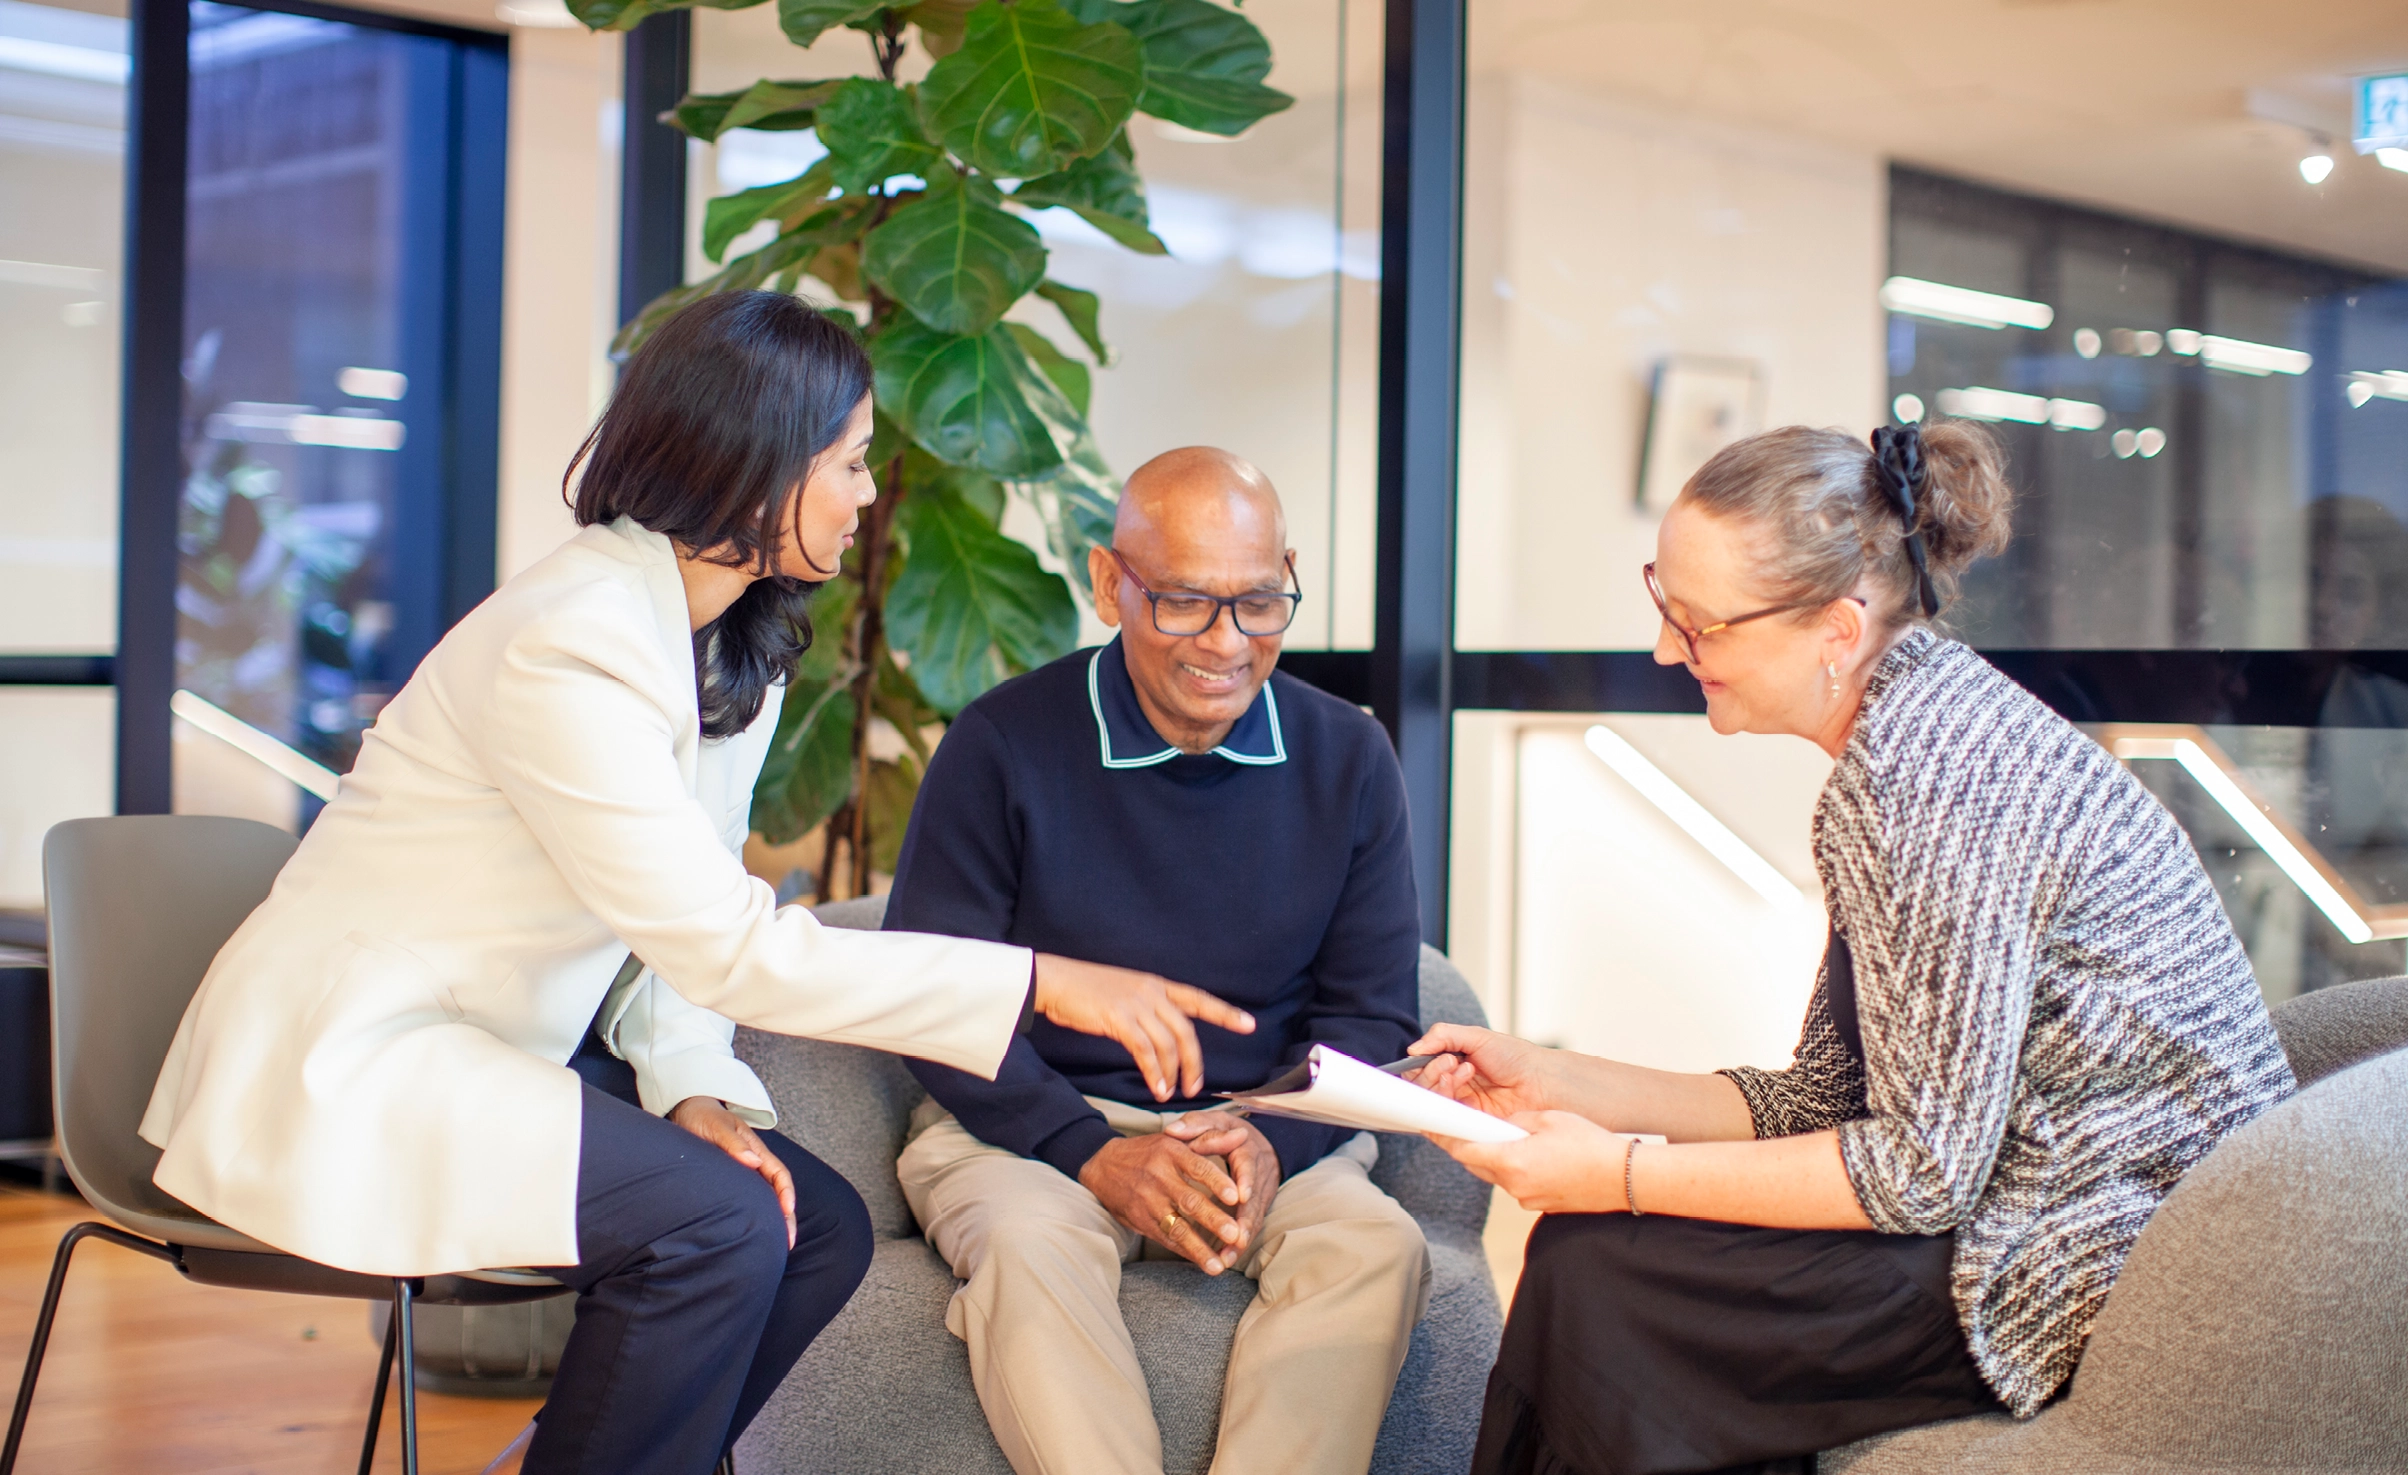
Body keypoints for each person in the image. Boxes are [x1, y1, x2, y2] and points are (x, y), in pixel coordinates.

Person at [138, 292, 1251, 1475]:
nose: (868, 495)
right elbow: (729, 943)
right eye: (849, 462)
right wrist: (1036, 982)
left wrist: (690, 1090)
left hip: (489, 1038)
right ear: (751, 468)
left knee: (807, 1225)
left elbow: (684, 910)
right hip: (357, 1056)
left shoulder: (730, 640)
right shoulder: (570, 638)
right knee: (713, 1226)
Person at [1410, 422, 2298, 1475]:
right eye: (1663, 606)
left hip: (2097, 1249)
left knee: (1598, 1274)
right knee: (1592, 1255)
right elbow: (1831, 1096)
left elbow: (1918, 1173)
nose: (1664, 651)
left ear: (1835, 627)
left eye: (1697, 626)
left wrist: (1616, 1170)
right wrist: (1563, 1079)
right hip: (2021, 1193)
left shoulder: (1922, 786)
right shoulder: (1911, 728)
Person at [885, 447, 1432, 1475]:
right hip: (1023, 1130)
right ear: (1109, 583)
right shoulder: (1000, 743)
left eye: (1257, 601)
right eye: (1182, 601)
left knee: (1375, 1248)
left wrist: (1272, 1136)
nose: (1223, 643)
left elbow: (1370, 1017)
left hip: (1261, 1127)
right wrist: (1087, 1145)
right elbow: (932, 998)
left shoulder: (1347, 756)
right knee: (1027, 1248)